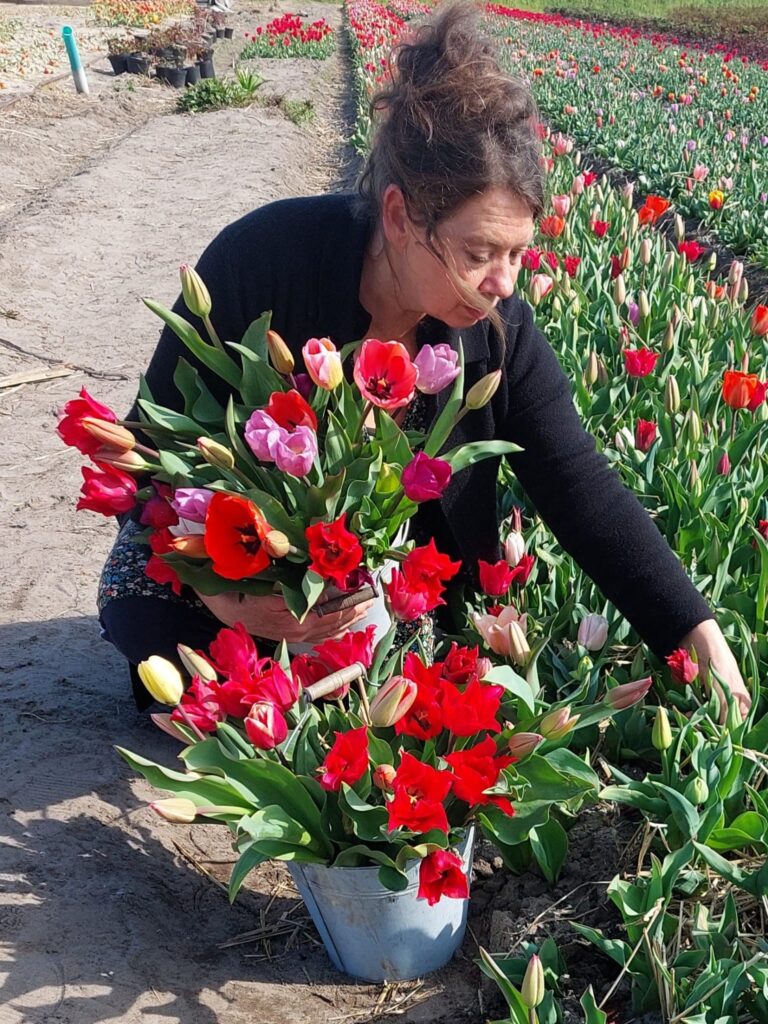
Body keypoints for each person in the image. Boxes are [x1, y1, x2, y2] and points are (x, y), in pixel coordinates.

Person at [98, 2, 751, 718]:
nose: (503, 284)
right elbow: (147, 457)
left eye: (517, 254)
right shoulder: (263, 263)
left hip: (371, 593)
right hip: (227, 570)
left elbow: (580, 486)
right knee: (166, 651)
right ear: (400, 215)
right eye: (479, 254)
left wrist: (698, 634)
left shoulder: (498, 333)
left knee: (402, 704)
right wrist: (230, 598)